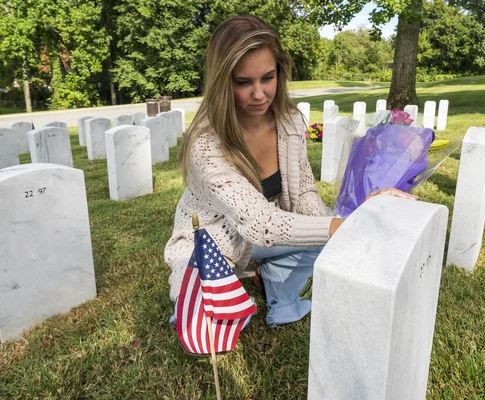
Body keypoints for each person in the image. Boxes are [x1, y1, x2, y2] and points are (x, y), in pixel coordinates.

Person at [164, 15, 415, 327]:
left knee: (328, 240)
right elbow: (259, 222)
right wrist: (340, 227)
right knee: (200, 320)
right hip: (213, 244)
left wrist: (344, 221)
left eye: (267, 78)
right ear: (222, 81)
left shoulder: (289, 123)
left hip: (262, 237)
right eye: (243, 82)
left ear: (280, 73)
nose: (259, 94)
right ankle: (239, 274)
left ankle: (281, 291)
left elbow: (305, 194)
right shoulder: (206, 144)